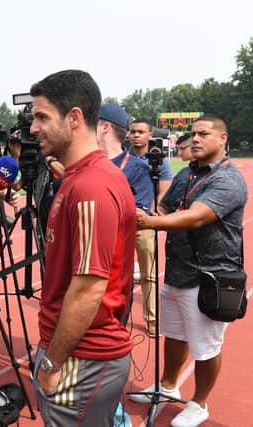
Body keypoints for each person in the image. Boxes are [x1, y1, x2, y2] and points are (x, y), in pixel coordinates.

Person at [29, 70, 135, 426]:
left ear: (74, 118)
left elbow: (89, 288)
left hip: (83, 359)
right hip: (80, 354)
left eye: (42, 117)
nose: (33, 128)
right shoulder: (79, 177)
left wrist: (51, 362)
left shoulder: (91, 186)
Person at [131, 115, 247, 427]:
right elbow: (166, 209)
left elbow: (195, 217)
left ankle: (200, 402)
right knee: (175, 335)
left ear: (223, 138)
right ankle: (168, 385)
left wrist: (147, 223)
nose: (194, 139)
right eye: (193, 134)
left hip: (210, 276)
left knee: (206, 346)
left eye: (203, 134)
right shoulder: (187, 175)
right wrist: (141, 211)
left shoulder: (228, 180)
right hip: (179, 271)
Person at [97, 103, 153, 328]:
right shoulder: (81, 164)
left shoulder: (138, 169)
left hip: (115, 269)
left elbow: (138, 216)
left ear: (104, 128)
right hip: (81, 266)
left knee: (112, 331)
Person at [129, 118, 174, 336]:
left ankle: (152, 319)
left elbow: (164, 189)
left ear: (149, 134)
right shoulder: (121, 158)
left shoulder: (159, 160)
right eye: (133, 131)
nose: (136, 135)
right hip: (120, 223)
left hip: (145, 223)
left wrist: (152, 214)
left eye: (140, 132)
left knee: (149, 275)